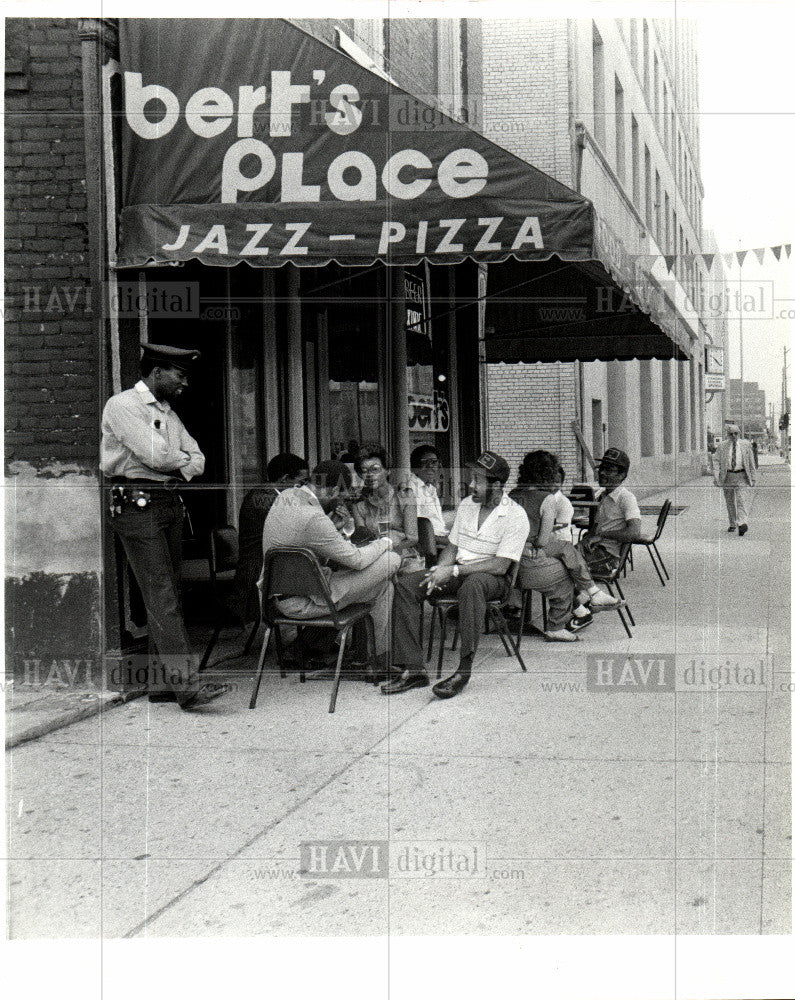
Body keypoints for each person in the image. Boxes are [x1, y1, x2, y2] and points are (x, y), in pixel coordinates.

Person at [100, 343, 229, 710]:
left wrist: (179, 464)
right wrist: (179, 462)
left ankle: (161, 683)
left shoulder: (167, 412)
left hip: (167, 502)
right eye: (180, 375)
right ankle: (188, 688)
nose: (184, 383)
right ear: (156, 372)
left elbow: (199, 458)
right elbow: (153, 455)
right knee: (162, 594)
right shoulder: (123, 405)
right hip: (136, 504)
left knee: (169, 591)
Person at [384, 450, 530, 700]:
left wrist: (452, 570)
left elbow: (500, 566)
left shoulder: (515, 515)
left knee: (472, 585)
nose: (470, 484)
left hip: (492, 579)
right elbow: (452, 547)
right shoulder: (467, 505)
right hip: (459, 571)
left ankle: (463, 670)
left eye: (477, 480)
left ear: (496, 485)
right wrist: (441, 569)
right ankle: (413, 668)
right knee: (407, 584)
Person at [261, 460, 401, 676]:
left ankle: (368, 659)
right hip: (304, 602)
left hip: (278, 596)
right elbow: (356, 560)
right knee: (391, 560)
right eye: (342, 495)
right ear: (334, 489)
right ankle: (374, 660)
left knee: (382, 586)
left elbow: (305, 542)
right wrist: (386, 541)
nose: (342, 501)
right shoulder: (314, 518)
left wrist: (335, 530)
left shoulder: (286, 497)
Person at [511, 451, 623, 639]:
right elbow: (542, 541)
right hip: (530, 557)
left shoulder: (512, 495)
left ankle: (588, 600)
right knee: (565, 567)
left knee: (565, 550)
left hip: (510, 560)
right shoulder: (546, 499)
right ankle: (559, 623)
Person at [224, 453, 309, 624]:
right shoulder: (264, 499)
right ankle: (308, 641)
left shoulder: (272, 495)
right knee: (331, 585)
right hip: (258, 575)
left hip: (272, 568)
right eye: (300, 483)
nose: (303, 488)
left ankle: (311, 640)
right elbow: (296, 534)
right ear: (285, 479)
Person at [579, 447, 642, 576]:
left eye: (608, 470)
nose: (602, 473)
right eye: (601, 468)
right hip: (594, 549)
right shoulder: (603, 495)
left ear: (622, 475)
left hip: (608, 557)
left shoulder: (626, 498)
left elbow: (634, 532)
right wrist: (588, 538)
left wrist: (602, 535)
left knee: (561, 568)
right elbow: (596, 526)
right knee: (560, 559)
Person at [351, 446, 418, 549]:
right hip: (373, 555)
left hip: (403, 554)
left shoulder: (405, 496)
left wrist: (388, 553)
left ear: (388, 470)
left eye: (375, 469)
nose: (369, 475)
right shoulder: (359, 504)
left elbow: (412, 539)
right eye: (364, 471)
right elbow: (362, 539)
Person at [407, 444, 454, 546]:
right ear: (415, 467)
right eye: (424, 462)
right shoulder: (413, 489)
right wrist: (451, 542)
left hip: (441, 539)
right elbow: (418, 530)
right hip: (430, 545)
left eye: (434, 462)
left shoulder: (430, 488)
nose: (430, 466)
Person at [715, 423, 756, 535]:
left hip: (741, 476)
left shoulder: (746, 445)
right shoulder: (722, 446)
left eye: (736, 433)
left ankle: (742, 523)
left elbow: (751, 462)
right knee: (730, 501)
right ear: (727, 435)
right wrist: (716, 476)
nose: (734, 436)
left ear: (739, 434)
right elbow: (716, 461)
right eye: (731, 434)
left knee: (741, 500)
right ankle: (732, 523)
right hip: (727, 476)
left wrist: (753, 477)